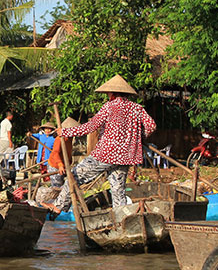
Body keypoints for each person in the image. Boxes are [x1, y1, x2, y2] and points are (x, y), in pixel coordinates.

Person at [45, 75, 156, 218]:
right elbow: (151, 126)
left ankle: (58, 206)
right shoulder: (137, 108)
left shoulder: (110, 107)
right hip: (126, 156)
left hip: (107, 153)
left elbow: (91, 126)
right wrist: (137, 139)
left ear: (113, 93)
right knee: (118, 190)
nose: (108, 96)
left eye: (108, 94)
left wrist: (65, 131)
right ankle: (122, 218)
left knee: (74, 176)